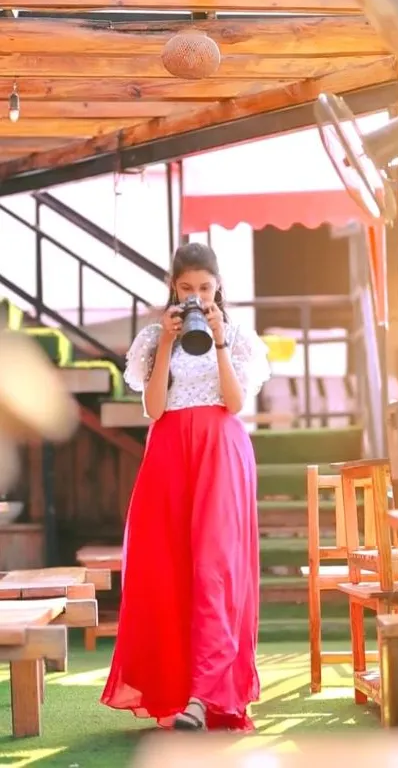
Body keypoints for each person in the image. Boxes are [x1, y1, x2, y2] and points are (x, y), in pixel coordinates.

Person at [101, 242, 270, 732]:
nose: (196, 295)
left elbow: (235, 403)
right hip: (170, 452)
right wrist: (168, 345)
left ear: (218, 288)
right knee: (168, 567)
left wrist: (217, 339)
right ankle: (175, 690)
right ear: (174, 288)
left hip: (221, 452)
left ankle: (206, 695)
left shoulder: (237, 336)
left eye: (205, 288)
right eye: (187, 288)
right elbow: (154, 408)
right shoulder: (155, 338)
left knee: (216, 568)